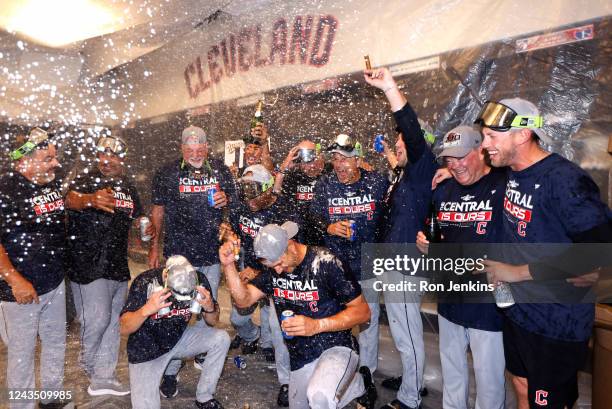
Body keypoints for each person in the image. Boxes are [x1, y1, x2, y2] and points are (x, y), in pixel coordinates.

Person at [476, 98, 611, 409]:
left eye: (493, 137)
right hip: (519, 312)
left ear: (522, 135)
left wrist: (516, 272)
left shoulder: (563, 181)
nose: (485, 145)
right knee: (522, 387)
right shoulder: (512, 171)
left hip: (555, 322)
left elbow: (601, 250)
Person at [219, 222, 377, 409]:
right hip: (301, 356)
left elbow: (364, 312)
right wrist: (228, 266)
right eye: (272, 266)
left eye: (279, 263)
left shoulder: (326, 262)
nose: (277, 270)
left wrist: (316, 326)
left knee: (319, 397)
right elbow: (244, 301)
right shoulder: (274, 270)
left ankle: (341, 383)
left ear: (291, 244)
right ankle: (358, 383)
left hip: (336, 347)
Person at [363, 67, 438, 409]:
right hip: (393, 262)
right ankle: (413, 379)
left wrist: (390, 89)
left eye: (401, 143)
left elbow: (411, 130)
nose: (398, 146)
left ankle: (410, 397)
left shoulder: (423, 167)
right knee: (401, 329)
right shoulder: (406, 174)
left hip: (406, 265)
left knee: (407, 333)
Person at [416, 125, 506, 409]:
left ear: (481, 150)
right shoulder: (443, 190)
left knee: (489, 379)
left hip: (488, 301)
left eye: (461, 157)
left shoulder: (505, 185)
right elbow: (436, 237)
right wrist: (425, 243)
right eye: (449, 160)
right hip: (451, 295)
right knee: (452, 372)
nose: (455, 165)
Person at [65, 134, 144, 396]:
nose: (107, 160)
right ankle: (88, 364)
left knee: (112, 322)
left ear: (122, 158)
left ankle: (104, 377)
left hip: (117, 264)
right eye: (103, 155)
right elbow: (68, 199)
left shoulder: (128, 186)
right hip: (86, 264)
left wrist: (146, 227)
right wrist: (89, 200)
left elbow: (137, 217)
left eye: (113, 156)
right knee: (97, 320)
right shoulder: (85, 179)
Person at [0, 128, 73, 408]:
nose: (55, 164)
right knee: (22, 354)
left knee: (55, 342)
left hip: (53, 282)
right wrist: (15, 280)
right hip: (22, 290)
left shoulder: (50, 184)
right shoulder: (6, 190)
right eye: (47, 158)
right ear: (24, 161)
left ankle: (52, 399)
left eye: (54, 157)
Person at [310, 133, 388, 384]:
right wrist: (328, 227)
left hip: (368, 263)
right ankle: (335, 370)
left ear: (358, 160)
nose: (339, 165)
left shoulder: (376, 181)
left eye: (345, 159)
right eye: (335, 158)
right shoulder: (324, 185)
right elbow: (312, 218)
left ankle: (366, 374)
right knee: (336, 321)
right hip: (336, 268)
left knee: (368, 322)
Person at [120, 255, 230, 409]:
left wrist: (210, 307)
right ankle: (166, 375)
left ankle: (204, 396)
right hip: (146, 350)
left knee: (221, 338)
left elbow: (212, 321)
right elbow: (123, 327)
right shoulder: (145, 282)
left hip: (178, 338)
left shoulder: (199, 280)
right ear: (166, 278)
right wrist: (145, 310)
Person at [226, 164, 294, 406]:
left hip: (277, 273)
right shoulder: (240, 207)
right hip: (250, 269)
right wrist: (229, 237)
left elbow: (288, 253)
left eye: (253, 190)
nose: (248, 197)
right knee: (238, 318)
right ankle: (252, 336)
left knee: (279, 329)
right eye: (244, 190)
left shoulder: (283, 210)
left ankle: (287, 382)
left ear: (268, 188)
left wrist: (258, 269)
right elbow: (233, 231)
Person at [273, 140, 329, 245]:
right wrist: (283, 169)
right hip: (302, 237)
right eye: (302, 161)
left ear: (319, 155)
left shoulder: (331, 172)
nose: (307, 166)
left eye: (310, 156)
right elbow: (276, 197)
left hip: (327, 235)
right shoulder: (295, 176)